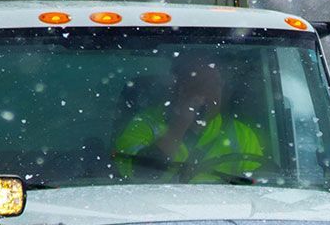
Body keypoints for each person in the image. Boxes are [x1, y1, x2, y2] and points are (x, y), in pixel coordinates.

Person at [114, 54, 266, 183]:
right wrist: (179, 126)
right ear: (178, 89)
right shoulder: (145, 124)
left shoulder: (240, 135)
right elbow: (141, 174)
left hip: (219, 211)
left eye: (216, 86)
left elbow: (256, 187)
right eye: (199, 85)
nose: (210, 94)